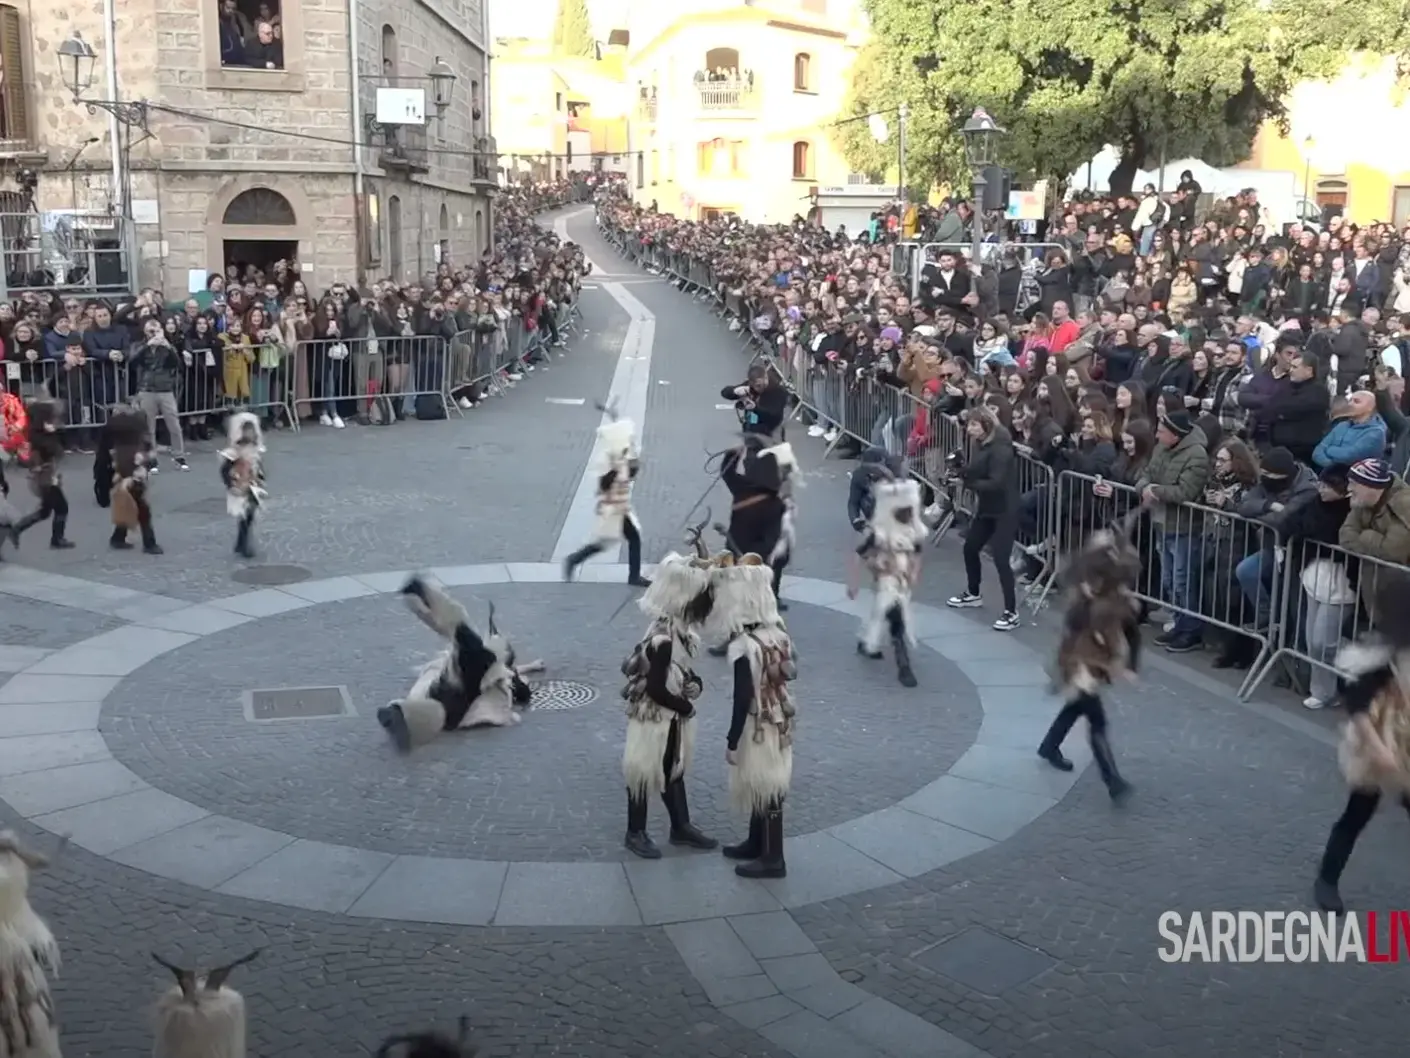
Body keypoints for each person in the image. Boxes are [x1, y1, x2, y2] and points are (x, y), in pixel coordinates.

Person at [1311, 571, 1410, 913]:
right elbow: (1357, 705)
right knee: (1357, 813)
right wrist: (1380, 749)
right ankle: (1326, 880)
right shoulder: (1378, 655)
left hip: (1406, 744)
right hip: (1379, 743)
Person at [618, 550, 720, 859]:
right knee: (643, 770)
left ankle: (681, 826)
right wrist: (686, 706)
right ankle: (635, 832)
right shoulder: (663, 639)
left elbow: (680, 671)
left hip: (669, 714)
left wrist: (693, 684)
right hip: (654, 715)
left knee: (672, 766)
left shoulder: (678, 631)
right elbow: (657, 688)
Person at [1036, 521, 1140, 802]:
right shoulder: (1086, 603)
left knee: (1076, 708)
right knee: (1096, 720)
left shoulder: (1105, 595)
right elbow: (1083, 639)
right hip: (1081, 665)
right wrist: (1118, 668)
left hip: (1087, 662)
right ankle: (1113, 780)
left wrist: (1114, 544)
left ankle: (1049, 746)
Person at [376, 576, 534, 752]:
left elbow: (522, 692)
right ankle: (399, 713)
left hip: (456, 689)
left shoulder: (492, 664)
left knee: (463, 635)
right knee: (439, 708)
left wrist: (519, 674)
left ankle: (399, 713)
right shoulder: (498, 672)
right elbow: (523, 693)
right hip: (456, 702)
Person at [713, 554, 796, 879]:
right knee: (768, 780)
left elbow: (742, 697)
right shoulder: (780, 635)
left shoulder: (743, 646)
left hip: (758, 724)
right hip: (780, 720)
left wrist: (732, 741)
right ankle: (756, 842)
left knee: (767, 785)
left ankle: (773, 857)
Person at [947, 408, 1021, 631]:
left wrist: (966, 483)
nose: (969, 430)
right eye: (969, 425)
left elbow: (996, 482)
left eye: (974, 425)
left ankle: (1011, 612)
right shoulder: (981, 445)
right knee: (970, 547)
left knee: (1001, 559)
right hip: (987, 507)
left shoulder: (1001, 450)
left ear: (986, 426)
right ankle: (973, 593)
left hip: (1005, 509)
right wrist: (961, 471)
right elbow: (978, 470)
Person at [849, 477, 927, 687]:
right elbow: (859, 554)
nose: (908, 515)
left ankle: (867, 642)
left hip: (902, 582)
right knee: (896, 618)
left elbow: (918, 553)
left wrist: (914, 572)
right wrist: (853, 583)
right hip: (886, 580)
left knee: (880, 613)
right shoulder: (880, 534)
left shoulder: (913, 531)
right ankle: (904, 665)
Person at [562, 418, 650, 587]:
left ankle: (575, 559)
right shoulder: (618, 467)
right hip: (617, 510)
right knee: (631, 539)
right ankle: (634, 577)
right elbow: (632, 471)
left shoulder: (614, 464)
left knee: (604, 543)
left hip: (616, 508)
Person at [95, 408, 162, 555]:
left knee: (129, 508)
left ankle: (118, 537)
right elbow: (142, 459)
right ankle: (149, 543)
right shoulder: (131, 445)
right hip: (131, 480)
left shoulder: (121, 446)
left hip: (129, 479)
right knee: (143, 511)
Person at [7, 401, 72, 551]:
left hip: (48, 477)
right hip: (46, 479)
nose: (54, 422)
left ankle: (17, 529)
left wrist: (54, 431)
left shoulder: (43, 435)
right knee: (61, 508)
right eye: (50, 419)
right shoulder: (40, 439)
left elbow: (61, 446)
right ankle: (57, 539)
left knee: (45, 511)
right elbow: (46, 455)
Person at [219, 412, 267, 560]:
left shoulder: (254, 450)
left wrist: (261, 478)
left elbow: (258, 466)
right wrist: (229, 484)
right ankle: (244, 544)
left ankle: (241, 542)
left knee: (250, 514)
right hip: (239, 485)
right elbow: (225, 469)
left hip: (252, 486)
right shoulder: (234, 453)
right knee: (244, 514)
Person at [722, 364, 788, 438]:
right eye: (758, 386)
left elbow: (774, 416)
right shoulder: (749, 388)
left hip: (770, 433)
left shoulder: (778, 391)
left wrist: (755, 408)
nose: (762, 387)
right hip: (751, 430)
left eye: (765, 382)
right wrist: (734, 391)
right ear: (751, 383)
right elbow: (724, 392)